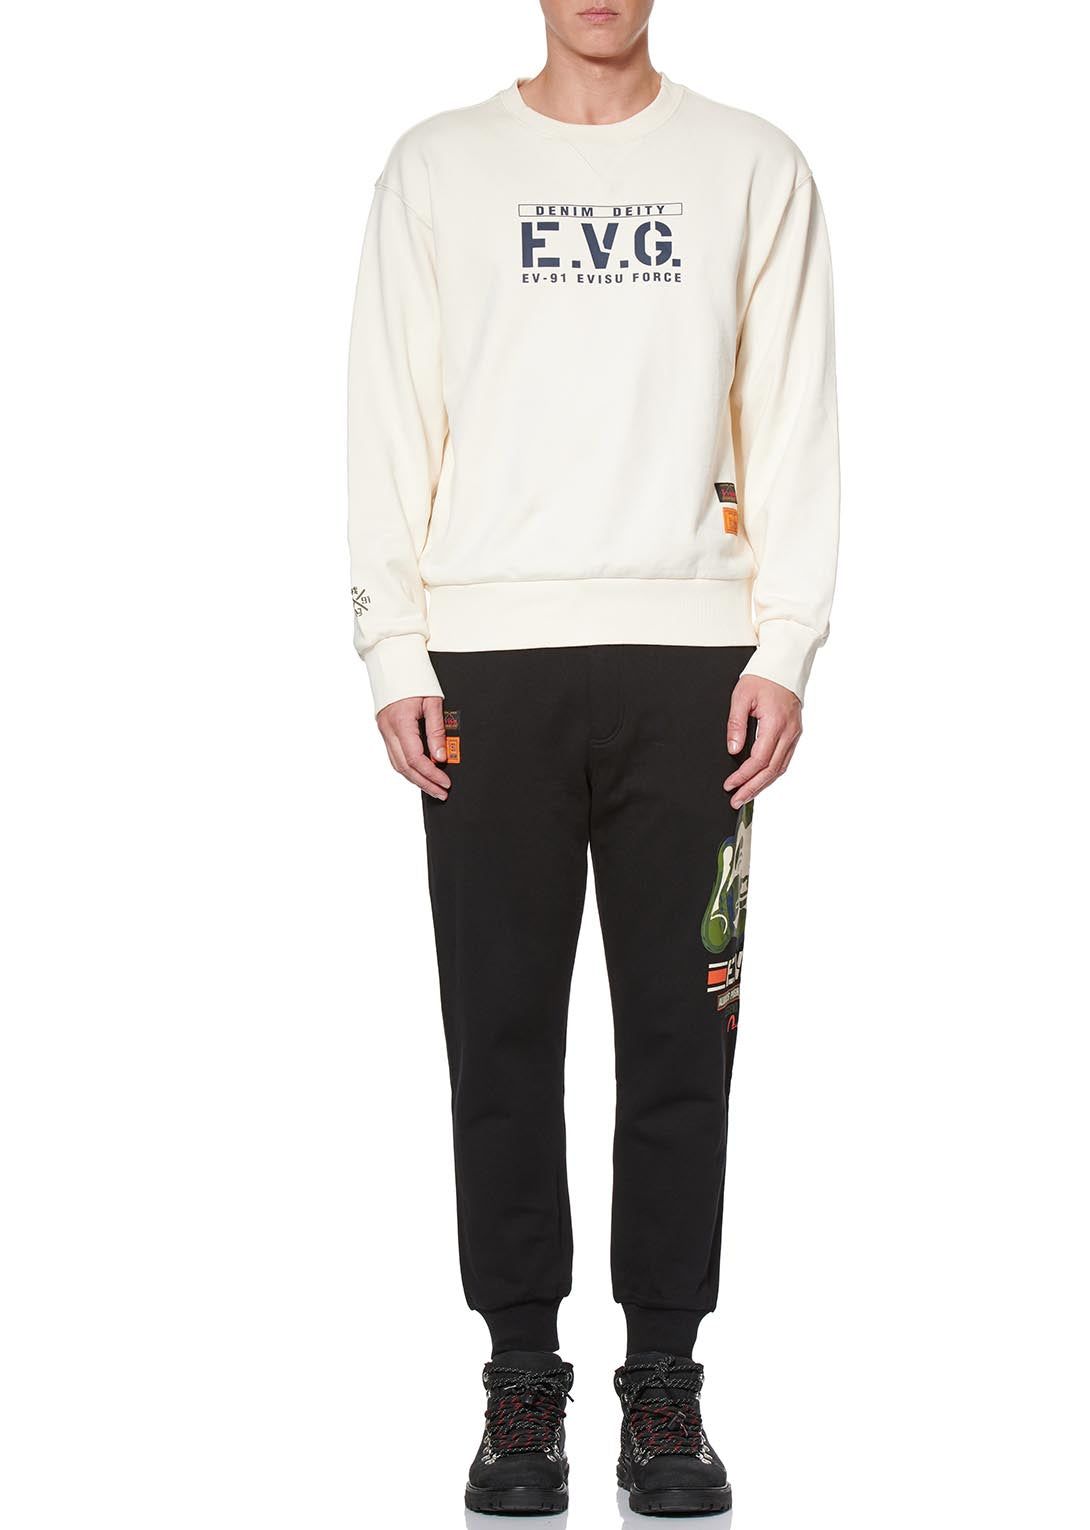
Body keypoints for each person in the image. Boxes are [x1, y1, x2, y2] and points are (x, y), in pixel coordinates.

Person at [346, 0, 839, 1514]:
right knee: (499, 1032)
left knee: (684, 1037)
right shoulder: (437, 168)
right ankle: (520, 1378)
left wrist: (784, 641)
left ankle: (666, 1385)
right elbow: (388, 412)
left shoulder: (752, 166)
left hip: (693, 668)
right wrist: (393, 645)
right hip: (487, 669)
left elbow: (795, 412)